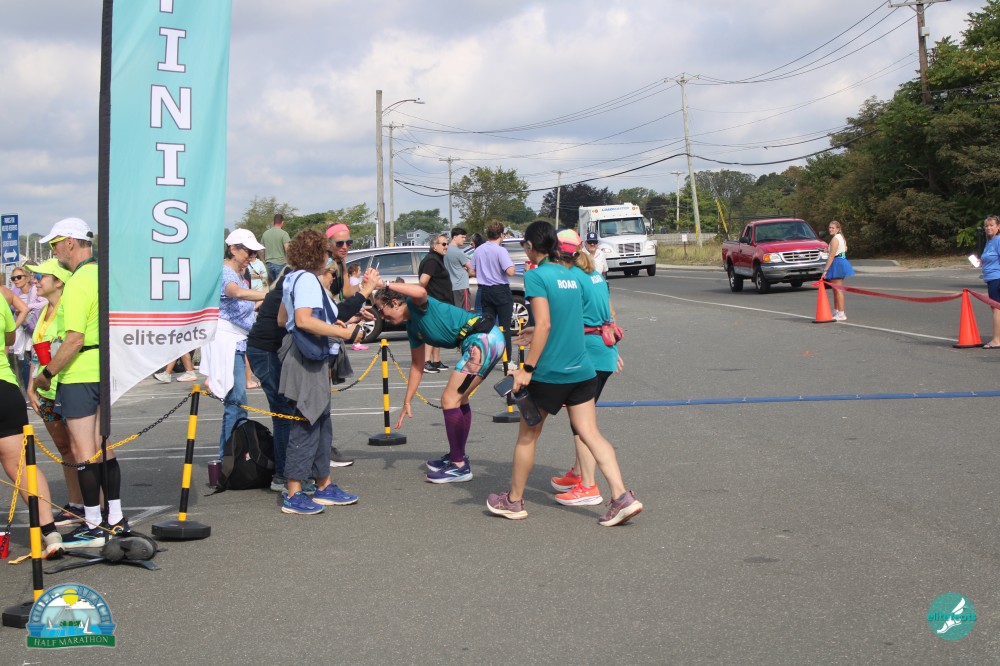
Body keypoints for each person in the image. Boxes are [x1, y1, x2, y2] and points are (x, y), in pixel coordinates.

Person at [486, 220, 643, 526]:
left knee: (528, 436)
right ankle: (621, 497)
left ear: (530, 246)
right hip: (582, 369)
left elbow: (545, 323)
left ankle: (514, 501)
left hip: (551, 372)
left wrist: (527, 369)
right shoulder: (573, 274)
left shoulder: (536, 275)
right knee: (591, 433)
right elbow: (567, 319)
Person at [34, 217, 126, 548]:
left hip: (80, 372)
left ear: (70, 243)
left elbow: (73, 339)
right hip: (104, 367)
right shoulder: (102, 274)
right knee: (104, 448)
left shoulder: (77, 281)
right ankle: (115, 518)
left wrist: (46, 375)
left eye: (55, 244)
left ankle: (93, 524)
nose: (54, 251)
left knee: (85, 451)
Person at [372, 279, 504, 483]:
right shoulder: (412, 328)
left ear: (395, 303)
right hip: (483, 341)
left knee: (449, 400)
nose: (381, 316)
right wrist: (407, 401)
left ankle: (459, 466)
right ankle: (457, 456)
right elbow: (417, 365)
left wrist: (385, 284)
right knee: (460, 399)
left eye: (381, 310)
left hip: (483, 340)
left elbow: (420, 291)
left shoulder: (416, 304)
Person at [276, 229, 369, 514]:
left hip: (303, 354)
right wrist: (344, 333)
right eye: (326, 252)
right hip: (307, 359)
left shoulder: (292, 277)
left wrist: (331, 326)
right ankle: (294, 492)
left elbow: (283, 319)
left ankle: (323, 484)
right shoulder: (306, 279)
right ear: (319, 254)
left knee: (319, 422)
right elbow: (303, 320)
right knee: (307, 422)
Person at [547, 230, 624, 507]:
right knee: (582, 419)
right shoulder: (594, 275)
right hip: (602, 349)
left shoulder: (572, 279)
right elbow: (610, 314)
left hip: (588, 353)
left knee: (583, 424)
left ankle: (588, 485)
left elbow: (566, 322)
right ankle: (579, 472)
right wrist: (612, 351)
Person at [0, 288, 64, 556]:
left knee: (19, 464)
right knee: (20, 465)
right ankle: (50, 533)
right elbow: (9, 337)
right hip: (4, 388)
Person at [24, 259, 85, 528]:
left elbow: (72, 344)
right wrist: (31, 386)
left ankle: (97, 507)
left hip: (67, 385)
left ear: (59, 281)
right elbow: (37, 353)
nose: (35, 280)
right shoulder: (43, 312)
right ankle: (75, 504)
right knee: (64, 448)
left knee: (83, 447)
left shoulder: (67, 308)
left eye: (40, 276)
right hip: (46, 389)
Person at [200, 229, 266, 462]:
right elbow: (235, 293)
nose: (252, 257)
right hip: (227, 342)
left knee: (238, 404)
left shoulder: (239, 273)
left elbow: (243, 305)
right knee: (236, 403)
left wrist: (263, 300)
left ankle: (233, 456)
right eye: (248, 251)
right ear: (233, 249)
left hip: (237, 340)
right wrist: (266, 295)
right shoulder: (226, 272)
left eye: (255, 253)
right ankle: (228, 459)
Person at [469, 221, 516, 360]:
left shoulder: (479, 250)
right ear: (501, 235)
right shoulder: (500, 250)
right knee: (504, 326)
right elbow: (510, 271)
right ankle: (507, 359)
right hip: (500, 289)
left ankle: (488, 357)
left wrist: (485, 272)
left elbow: (471, 271)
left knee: (488, 326)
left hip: (484, 290)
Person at [418, 232, 454, 373]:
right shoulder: (431, 261)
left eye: (447, 244)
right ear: (434, 246)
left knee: (438, 331)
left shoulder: (437, 259)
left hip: (440, 302)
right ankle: (426, 361)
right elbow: (423, 281)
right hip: (433, 302)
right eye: (443, 244)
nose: (446, 246)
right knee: (432, 332)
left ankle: (436, 361)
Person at [9, 267, 46, 391]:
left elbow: (45, 303)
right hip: (24, 332)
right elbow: (13, 312)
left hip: (37, 332)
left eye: (19, 277)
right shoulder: (15, 294)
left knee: (37, 363)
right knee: (25, 364)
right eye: (13, 278)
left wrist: (27, 307)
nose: (16, 280)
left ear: (27, 277)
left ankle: (37, 391)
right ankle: (29, 391)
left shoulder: (36, 290)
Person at [820, 220, 855, 322]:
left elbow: (832, 256)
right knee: (835, 289)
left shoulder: (835, 239)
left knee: (838, 289)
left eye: (833, 228)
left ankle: (841, 313)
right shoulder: (840, 237)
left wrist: (825, 270)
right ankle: (836, 311)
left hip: (837, 263)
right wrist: (827, 250)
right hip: (840, 261)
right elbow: (844, 249)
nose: (830, 229)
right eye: (829, 227)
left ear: (838, 229)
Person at [979, 215, 1000, 348]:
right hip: (991, 278)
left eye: (991, 225)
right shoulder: (989, 242)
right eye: (986, 226)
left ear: (998, 227)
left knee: (996, 309)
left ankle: (997, 340)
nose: (988, 228)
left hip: (997, 279)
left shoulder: (998, 240)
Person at [445, 227, 472, 311]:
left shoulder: (446, 249)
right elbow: (471, 266)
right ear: (455, 237)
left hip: (451, 286)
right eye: (462, 237)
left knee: (454, 312)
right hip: (461, 286)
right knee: (464, 312)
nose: (464, 239)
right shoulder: (457, 252)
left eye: (465, 237)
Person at [261, 213, 291, 283]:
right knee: (280, 285)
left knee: (272, 286)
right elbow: (287, 249)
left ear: (273, 222)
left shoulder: (265, 234)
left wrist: (264, 260)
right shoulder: (284, 234)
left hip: (268, 264)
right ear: (282, 222)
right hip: (280, 263)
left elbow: (261, 250)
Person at [346, 264, 369, 351]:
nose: (360, 272)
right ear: (354, 272)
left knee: (356, 323)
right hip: (357, 306)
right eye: (359, 270)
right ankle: (356, 342)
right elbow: (356, 293)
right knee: (358, 323)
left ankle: (356, 342)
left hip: (355, 305)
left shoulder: (350, 280)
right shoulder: (354, 281)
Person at [469, 233, 485, 314]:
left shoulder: (477, 252)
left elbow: (471, 272)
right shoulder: (490, 250)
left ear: (476, 242)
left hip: (482, 286)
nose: (471, 246)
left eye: (472, 243)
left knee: (479, 310)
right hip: (496, 286)